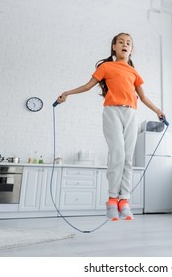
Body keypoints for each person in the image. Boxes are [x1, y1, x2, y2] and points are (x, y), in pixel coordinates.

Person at [56, 32, 166, 221]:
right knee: (118, 154)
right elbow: (87, 86)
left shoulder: (134, 72)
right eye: (121, 42)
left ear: (131, 49)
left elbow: (144, 97)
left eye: (128, 43)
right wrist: (67, 93)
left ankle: (124, 200)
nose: (125, 45)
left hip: (131, 112)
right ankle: (112, 199)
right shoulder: (106, 67)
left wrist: (157, 111)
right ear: (114, 47)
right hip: (112, 111)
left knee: (128, 159)